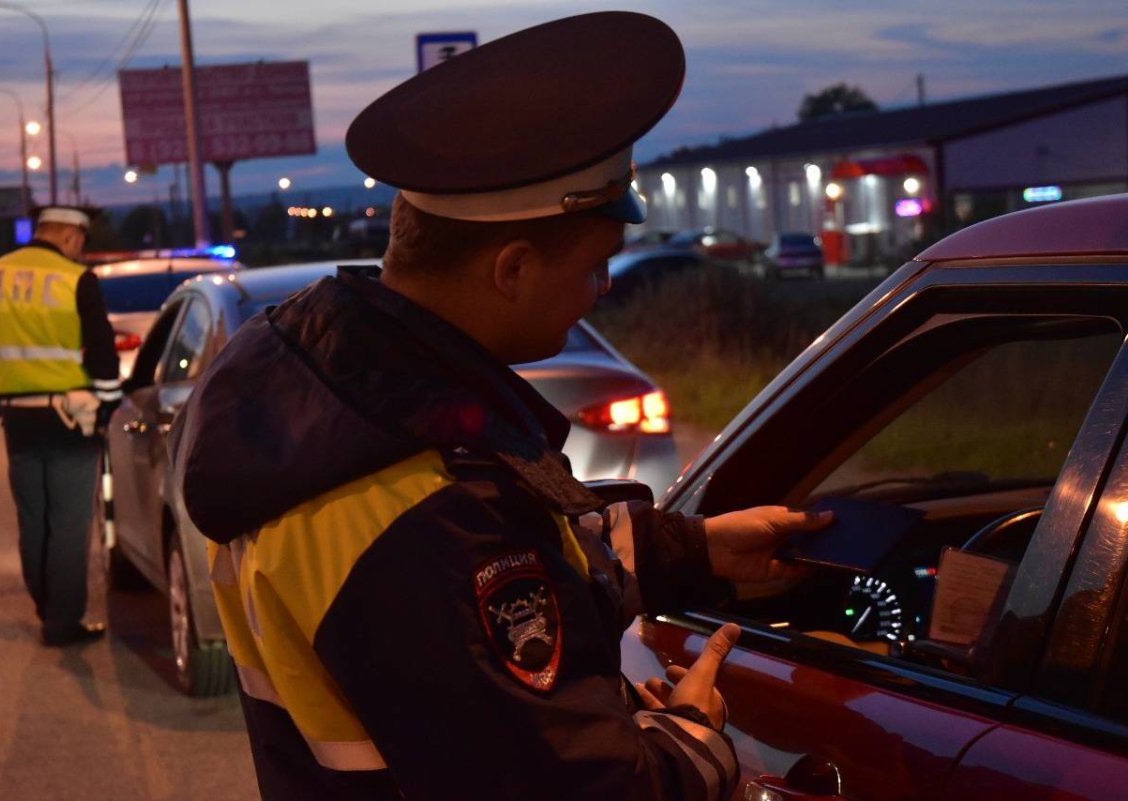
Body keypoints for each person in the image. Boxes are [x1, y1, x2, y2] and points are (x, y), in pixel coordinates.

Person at [171, 11, 831, 801]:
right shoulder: (424, 505)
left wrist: (695, 549)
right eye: (595, 265)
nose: (605, 287)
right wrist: (694, 740)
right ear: (513, 268)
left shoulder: (332, 402)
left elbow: (527, 547)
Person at [0, 205, 122, 647]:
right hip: (72, 418)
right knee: (69, 526)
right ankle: (61, 624)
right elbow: (103, 352)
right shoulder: (75, 279)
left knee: (33, 521)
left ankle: (44, 605)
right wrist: (107, 404)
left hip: (17, 417)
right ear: (72, 237)